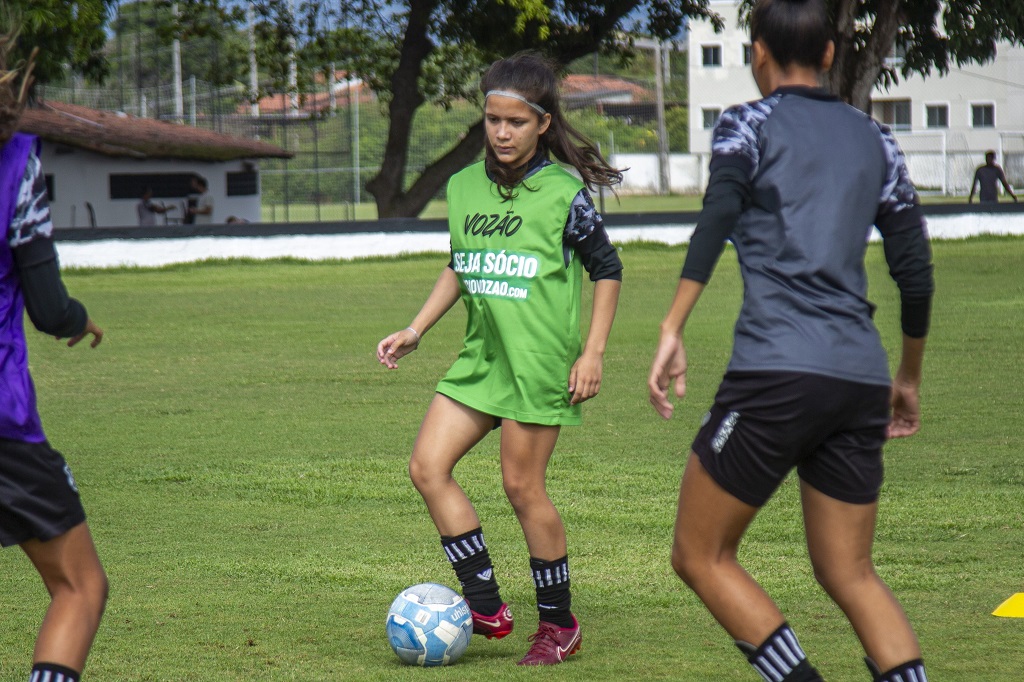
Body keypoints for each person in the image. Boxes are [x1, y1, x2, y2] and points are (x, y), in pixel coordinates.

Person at [647, 1, 934, 681]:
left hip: (777, 373)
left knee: (700, 554)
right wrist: (909, 378)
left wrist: (672, 324)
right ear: (832, 57)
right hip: (861, 377)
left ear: (758, 53)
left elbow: (718, 217)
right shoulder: (876, 139)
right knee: (852, 574)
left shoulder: (748, 124)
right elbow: (914, 271)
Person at [376, 52, 623, 666]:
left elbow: (608, 270)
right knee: (427, 467)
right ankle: (485, 603)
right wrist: (415, 328)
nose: (502, 133)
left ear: (542, 123)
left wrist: (592, 353)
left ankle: (558, 626)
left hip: (538, 364)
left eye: (515, 122)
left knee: (522, 487)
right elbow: (463, 264)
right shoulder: (463, 187)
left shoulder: (565, 193)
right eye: (493, 120)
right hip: (480, 360)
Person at [1, 37, 109, 682]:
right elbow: (47, 309)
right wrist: (78, 319)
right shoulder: (16, 163)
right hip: (4, 427)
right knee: (79, 588)